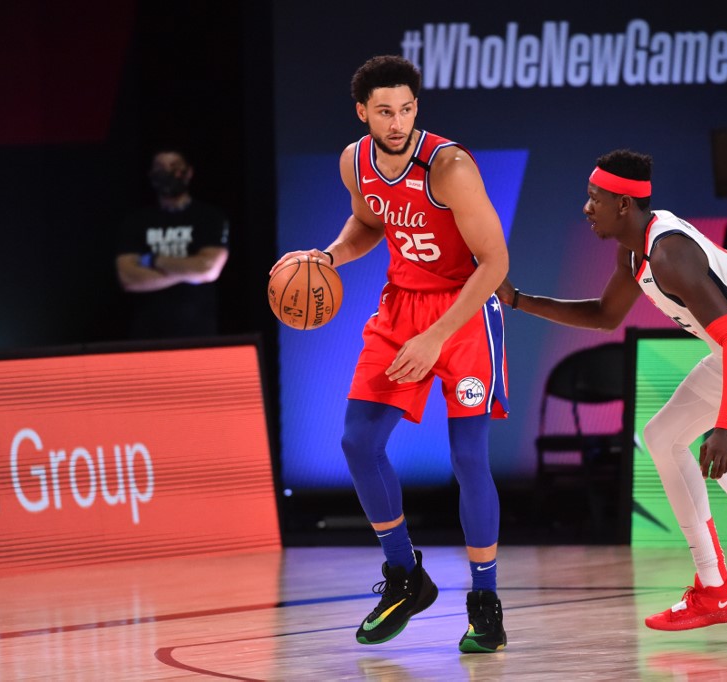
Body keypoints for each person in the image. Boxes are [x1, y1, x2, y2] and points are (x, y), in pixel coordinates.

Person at [497, 149, 727, 657]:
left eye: (595, 199)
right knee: (661, 437)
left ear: (624, 204)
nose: (586, 208)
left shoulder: (669, 254)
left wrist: (726, 426)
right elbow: (604, 316)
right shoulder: (634, 253)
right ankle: (715, 588)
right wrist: (517, 299)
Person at [270, 55, 510, 653]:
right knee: (358, 442)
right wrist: (328, 255)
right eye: (384, 111)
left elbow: (495, 263)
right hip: (401, 307)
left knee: (468, 459)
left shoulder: (449, 167)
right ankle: (406, 575)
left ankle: (485, 601)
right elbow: (368, 224)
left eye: (405, 109)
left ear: (416, 108)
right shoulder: (355, 162)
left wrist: (437, 338)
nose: (397, 122)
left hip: (465, 314)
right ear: (363, 112)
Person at [115, 148, 230, 339]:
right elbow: (128, 278)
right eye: (160, 167)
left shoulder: (209, 217)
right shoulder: (136, 221)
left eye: (174, 166)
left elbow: (207, 269)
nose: (167, 172)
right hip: (147, 335)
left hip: (199, 333)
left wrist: (152, 260)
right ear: (151, 175)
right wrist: (189, 273)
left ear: (188, 172)